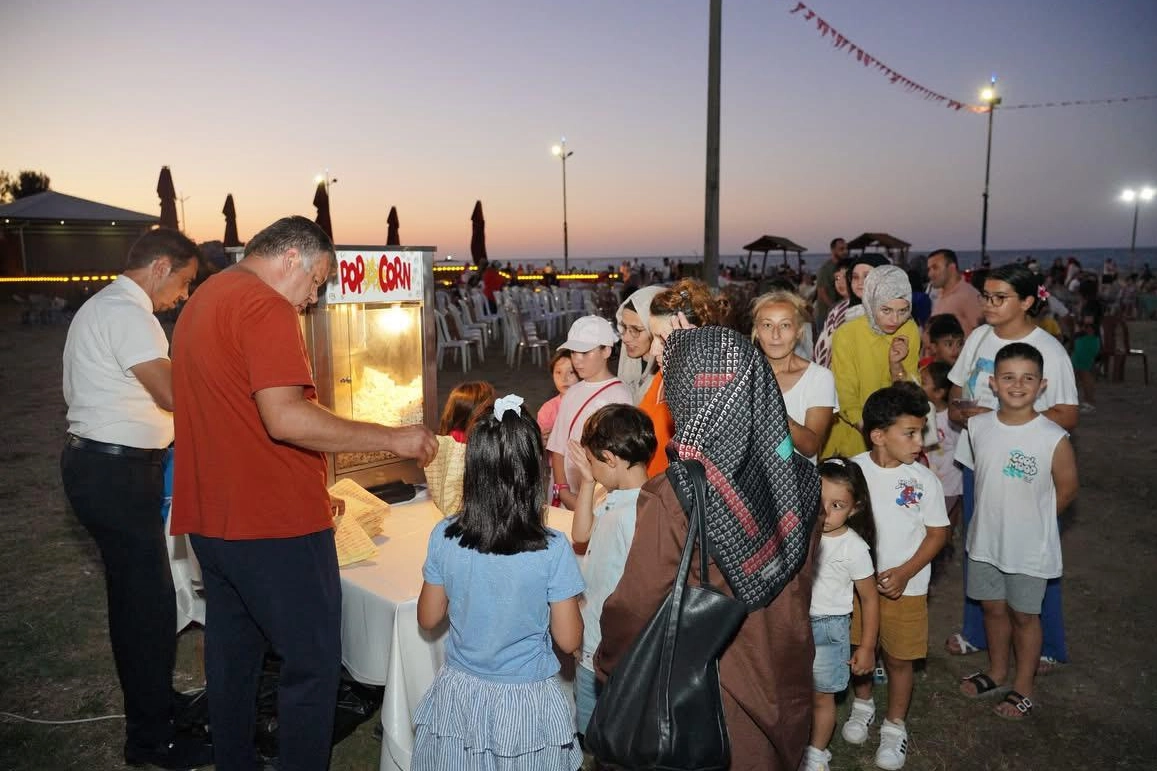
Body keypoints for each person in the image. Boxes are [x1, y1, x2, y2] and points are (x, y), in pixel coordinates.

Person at [170, 216, 438, 771]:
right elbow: (286, 418)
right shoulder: (265, 305)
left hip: (214, 518)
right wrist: (393, 437)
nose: (313, 299)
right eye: (316, 281)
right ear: (291, 257)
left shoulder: (204, 298)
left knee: (233, 656)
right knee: (312, 666)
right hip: (273, 524)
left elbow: (235, 412)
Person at [598, 326, 821, 770]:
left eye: (672, 385)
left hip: (714, 696)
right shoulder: (798, 477)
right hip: (782, 668)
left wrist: (610, 661)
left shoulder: (676, 493)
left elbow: (638, 603)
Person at [60, 228, 209, 770]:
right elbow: (171, 393)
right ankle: (151, 739)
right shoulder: (128, 312)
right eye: (185, 282)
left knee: (139, 601)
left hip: (108, 469)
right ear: (161, 266)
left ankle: (157, 707)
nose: (183, 296)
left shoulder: (108, 306)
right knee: (147, 608)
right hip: (115, 473)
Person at [413, 395, 585, 769]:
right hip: (527, 698)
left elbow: (427, 618)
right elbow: (570, 640)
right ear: (534, 472)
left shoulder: (444, 535)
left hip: (462, 694)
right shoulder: (553, 548)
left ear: (472, 467)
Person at [945, 263, 1078, 667]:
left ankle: (1047, 646)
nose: (988, 304)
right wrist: (962, 411)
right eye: (985, 296)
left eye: (999, 297)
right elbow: (956, 393)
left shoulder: (1048, 351)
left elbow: (1067, 414)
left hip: (1026, 471)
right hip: (979, 463)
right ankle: (978, 632)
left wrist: (1008, 420)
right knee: (980, 549)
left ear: (1026, 301)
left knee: (1032, 556)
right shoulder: (979, 337)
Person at [956, 343, 1078, 720]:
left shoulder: (1052, 436)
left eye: (1028, 378)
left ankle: (1024, 686)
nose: (1018, 385)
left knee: (1025, 615)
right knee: (992, 608)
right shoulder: (978, 426)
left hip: (1028, 549)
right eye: (1008, 377)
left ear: (1042, 385)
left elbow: (1067, 488)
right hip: (985, 542)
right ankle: (996, 671)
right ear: (993, 383)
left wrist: (1038, 524)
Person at [844, 385, 950, 771]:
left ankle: (894, 726)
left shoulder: (924, 480)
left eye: (921, 432)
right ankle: (863, 705)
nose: (920, 442)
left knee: (900, 659)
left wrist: (905, 573)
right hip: (857, 588)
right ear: (878, 435)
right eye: (910, 433)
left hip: (907, 588)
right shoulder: (853, 472)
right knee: (860, 647)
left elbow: (938, 533)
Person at [564, 404, 656, 737]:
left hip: (609, 649)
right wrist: (588, 482)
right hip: (597, 642)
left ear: (610, 458)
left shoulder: (633, 514)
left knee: (601, 734)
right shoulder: (622, 496)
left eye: (591, 461)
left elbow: (635, 591)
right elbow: (581, 534)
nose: (589, 468)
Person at [801, 458, 880, 771]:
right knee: (794, 691)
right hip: (794, 624)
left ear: (855, 508)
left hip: (829, 630)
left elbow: (870, 599)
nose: (825, 511)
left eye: (837, 505)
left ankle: (817, 753)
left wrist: (867, 646)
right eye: (819, 501)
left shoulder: (854, 549)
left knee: (822, 697)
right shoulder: (798, 534)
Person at [824, 265, 921, 459]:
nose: (895, 319)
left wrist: (896, 365)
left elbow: (911, 391)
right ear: (870, 301)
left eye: (903, 310)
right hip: (854, 433)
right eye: (886, 310)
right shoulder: (846, 334)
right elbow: (845, 394)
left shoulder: (909, 329)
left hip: (895, 434)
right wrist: (872, 431)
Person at [546, 316, 633, 510]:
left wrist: (583, 501)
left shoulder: (620, 396)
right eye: (573, 352)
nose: (577, 359)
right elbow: (559, 445)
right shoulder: (573, 391)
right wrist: (562, 488)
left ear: (606, 351)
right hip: (563, 489)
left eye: (585, 352)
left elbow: (616, 461)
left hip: (596, 498)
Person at [643, 279, 724, 476]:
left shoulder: (722, 389)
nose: (653, 350)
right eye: (653, 338)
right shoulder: (662, 377)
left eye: (663, 340)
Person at [751, 290, 837, 461]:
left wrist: (772, 406)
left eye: (785, 325)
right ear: (757, 331)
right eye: (767, 325)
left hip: (795, 476)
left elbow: (810, 446)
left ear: (798, 331)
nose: (776, 335)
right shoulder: (742, 374)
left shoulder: (819, 378)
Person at [813, 254, 888, 368]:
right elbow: (825, 344)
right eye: (837, 278)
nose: (840, 282)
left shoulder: (888, 311)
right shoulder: (837, 309)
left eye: (867, 276)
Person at [921, 361, 963, 542]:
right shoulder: (923, 413)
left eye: (923, 382)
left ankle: (944, 549)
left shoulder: (951, 420)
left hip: (948, 484)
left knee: (940, 524)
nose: (919, 386)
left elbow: (960, 450)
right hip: (931, 480)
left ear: (939, 392)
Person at [614, 285, 662, 404]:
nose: (625, 338)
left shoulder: (671, 377)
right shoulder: (614, 367)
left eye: (636, 330)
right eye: (624, 327)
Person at [927, 248, 983, 336]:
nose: (930, 274)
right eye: (929, 269)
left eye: (935, 268)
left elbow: (984, 333)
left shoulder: (968, 295)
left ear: (951, 268)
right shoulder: (940, 294)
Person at [537, 350, 577, 446]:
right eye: (558, 372)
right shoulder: (547, 410)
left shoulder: (592, 405)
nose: (564, 379)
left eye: (571, 372)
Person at [814, 237, 849, 334]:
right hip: (826, 314)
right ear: (833, 250)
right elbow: (822, 292)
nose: (845, 251)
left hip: (840, 312)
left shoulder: (844, 267)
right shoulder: (826, 269)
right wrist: (835, 309)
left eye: (846, 248)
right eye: (841, 249)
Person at [1071, 312, 1101, 413]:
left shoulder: (1090, 336)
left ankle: (1089, 402)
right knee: (1081, 379)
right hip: (1081, 353)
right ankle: (1087, 401)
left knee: (1086, 378)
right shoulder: (1083, 335)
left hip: (1085, 352)